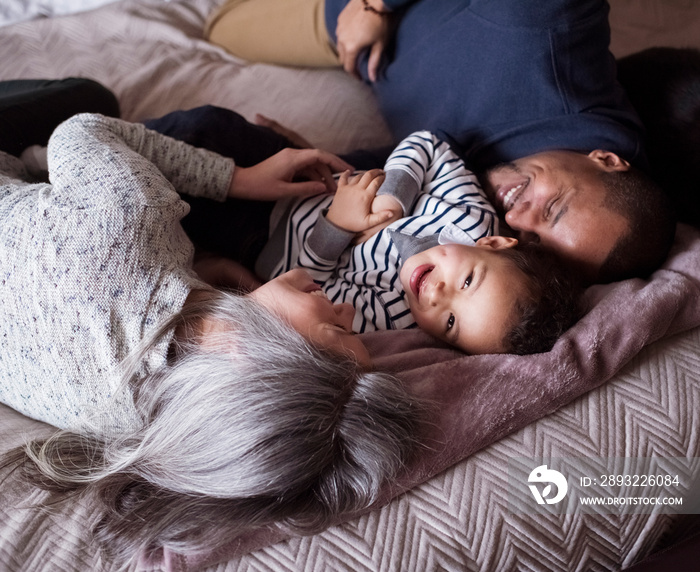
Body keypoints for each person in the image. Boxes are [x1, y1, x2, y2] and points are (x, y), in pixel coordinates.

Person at [0, 80, 422, 566]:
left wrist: (238, 178)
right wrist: (195, 277)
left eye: (339, 331)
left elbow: (77, 135)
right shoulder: (130, 424)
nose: (348, 313)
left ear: (242, 350)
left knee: (91, 98)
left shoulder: (135, 216)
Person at [204, 0, 677, 283]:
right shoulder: (551, 32)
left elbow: (418, 167)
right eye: (553, 208)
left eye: (533, 238)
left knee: (222, 27)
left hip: (356, 51)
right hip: (355, 15)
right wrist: (377, 5)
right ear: (607, 159)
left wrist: (338, 172)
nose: (517, 216)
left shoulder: (506, 227)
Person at [258, 130, 581, 355]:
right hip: (311, 178)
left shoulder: (390, 316)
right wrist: (391, 203)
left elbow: (304, 283)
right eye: (467, 281)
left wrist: (336, 225)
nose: (438, 296)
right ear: (493, 243)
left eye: (451, 322)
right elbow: (428, 145)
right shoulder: (467, 217)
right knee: (218, 130)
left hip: (263, 239)